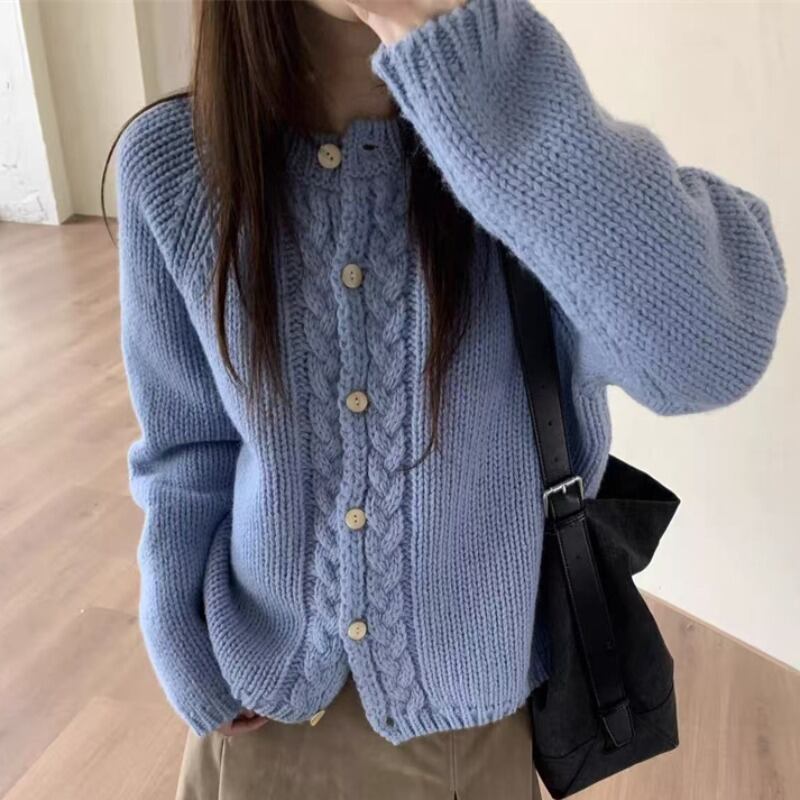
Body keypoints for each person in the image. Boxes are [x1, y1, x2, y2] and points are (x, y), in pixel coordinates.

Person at [105, 0, 788, 797]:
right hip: (258, 723)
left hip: (471, 732)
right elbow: (186, 445)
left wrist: (474, 60)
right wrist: (177, 634)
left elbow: (713, 353)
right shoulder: (172, 162)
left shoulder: (525, 151)